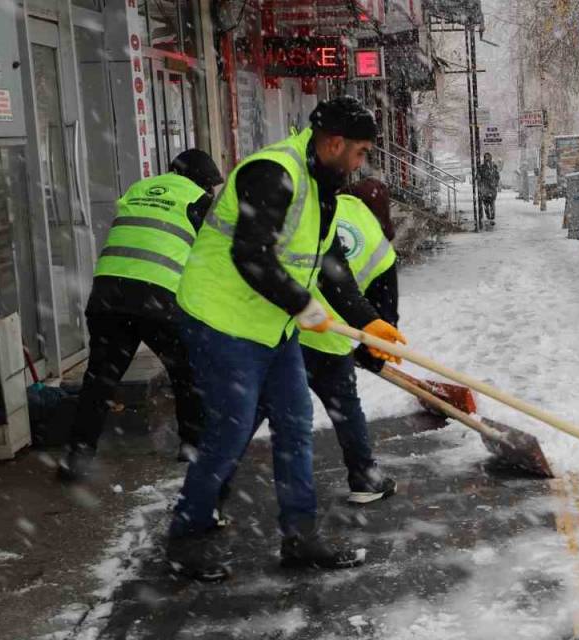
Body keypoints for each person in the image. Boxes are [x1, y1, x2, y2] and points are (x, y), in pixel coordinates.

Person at [164, 97, 406, 582]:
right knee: (231, 430)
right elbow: (251, 254)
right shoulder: (273, 172)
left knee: (295, 426)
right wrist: (302, 304)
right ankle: (186, 536)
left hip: (272, 326)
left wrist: (368, 323)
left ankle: (300, 537)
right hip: (221, 319)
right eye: (359, 153)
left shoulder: (324, 189)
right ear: (334, 143)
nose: (361, 164)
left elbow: (330, 266)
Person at [57, 149, 223, 483]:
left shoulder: (138, 188)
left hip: (108, 296)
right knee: (187, 373)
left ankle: (76, 457)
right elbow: (212, 259)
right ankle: (192, 446)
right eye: (211, 186)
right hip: (158, 297)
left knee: (100, 380)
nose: (212, 192)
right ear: (202, 181)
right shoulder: (198, 201)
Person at [295, 187, 399, 504]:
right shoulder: (379, 243)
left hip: (285, 325)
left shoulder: (322, 205)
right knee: (345, 409)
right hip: (331, 338)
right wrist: (372, 354)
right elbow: (385, 311)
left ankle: (212, 491)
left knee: (254, 411)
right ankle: (365, 479)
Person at [477, 152, 499, 222]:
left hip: (492, 187)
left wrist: (495, 183)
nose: (487, 159)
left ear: (490, 158)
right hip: (485, 187)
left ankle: (492, 216)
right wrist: (479, 180)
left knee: (492, 202)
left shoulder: (494, 166)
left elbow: (497, 176)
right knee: (486, 203)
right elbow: (478, 176)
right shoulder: (481, 167)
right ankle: (488, 216)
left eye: (488, 157)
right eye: (486, 157)